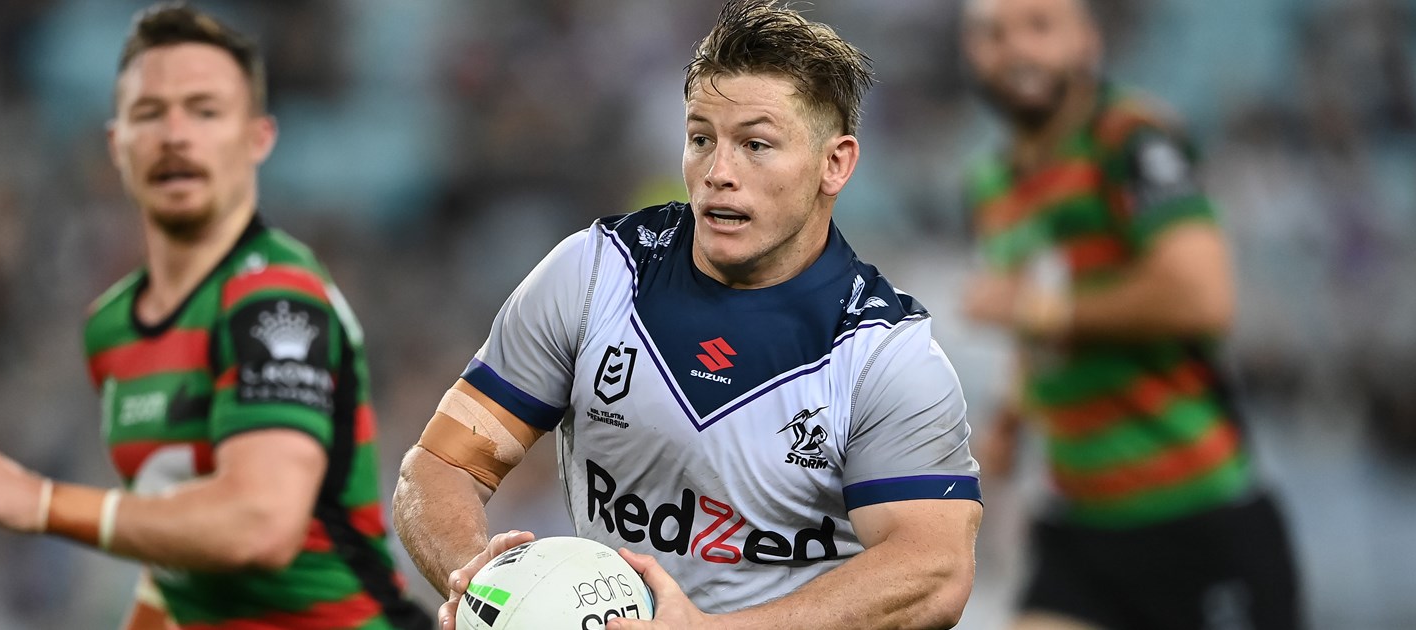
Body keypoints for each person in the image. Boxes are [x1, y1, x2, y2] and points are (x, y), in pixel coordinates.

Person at [391, 1, 984, 629]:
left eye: (756, 145)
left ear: (834, 163)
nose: (718, 173)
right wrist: (480, 584)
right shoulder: (595, 274)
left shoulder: (884, 355)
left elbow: (934, 571)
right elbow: (439, 466)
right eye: (702, 139)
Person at [0, 4, 429, 629]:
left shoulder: (275, 297)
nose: (176, 134)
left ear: (257, 138)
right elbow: (179, 560)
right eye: (150, 113)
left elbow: (262, 524)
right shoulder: (112, 327)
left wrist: (45, 503)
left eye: (205, 111)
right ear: (116, 143)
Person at [958, 0, 1302, 628]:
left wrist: (1031, 306)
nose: (1015, 50)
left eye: (1039, 26)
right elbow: (1042, 334)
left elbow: (1202, 296)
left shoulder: (1131, 139)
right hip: (1080, 524)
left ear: (1086, 41)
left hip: (1194, 512)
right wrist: (1010, 420)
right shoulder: (992, 182)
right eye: (991, 34)